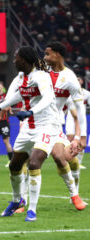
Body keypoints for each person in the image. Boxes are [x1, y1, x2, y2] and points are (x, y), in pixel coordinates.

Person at [0, 46, 81, 222]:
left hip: (47, 126)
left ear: (25, 60)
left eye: (16, 58)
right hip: (29, 127)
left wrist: (30, 111)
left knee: (35, 163)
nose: (14, 61)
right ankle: (16, 201)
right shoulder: (23, 78)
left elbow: (48, 98)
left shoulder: (41, 76)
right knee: (14, 165)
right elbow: (19, 95)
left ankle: (32, 210)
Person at [42, 41, 86, 210]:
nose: (44, 57)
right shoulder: (41, 74)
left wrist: (80, 137)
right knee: (23, 160)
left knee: (66, 160)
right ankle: (21, 200)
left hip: (55, 127)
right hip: (36, 125)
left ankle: (74, 195)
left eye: (47, 54)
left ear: (57, 55)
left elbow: (79, 111)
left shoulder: (69, 79)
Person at [65, 76, 90, 170]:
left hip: (81, 118)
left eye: (78, 79)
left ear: (82, 81)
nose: (77, 81)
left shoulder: (86, 93)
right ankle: (68, 159)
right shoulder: (68, 93)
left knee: (80, 139)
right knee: (70, 138)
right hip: (70, 117)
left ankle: (78, 162)